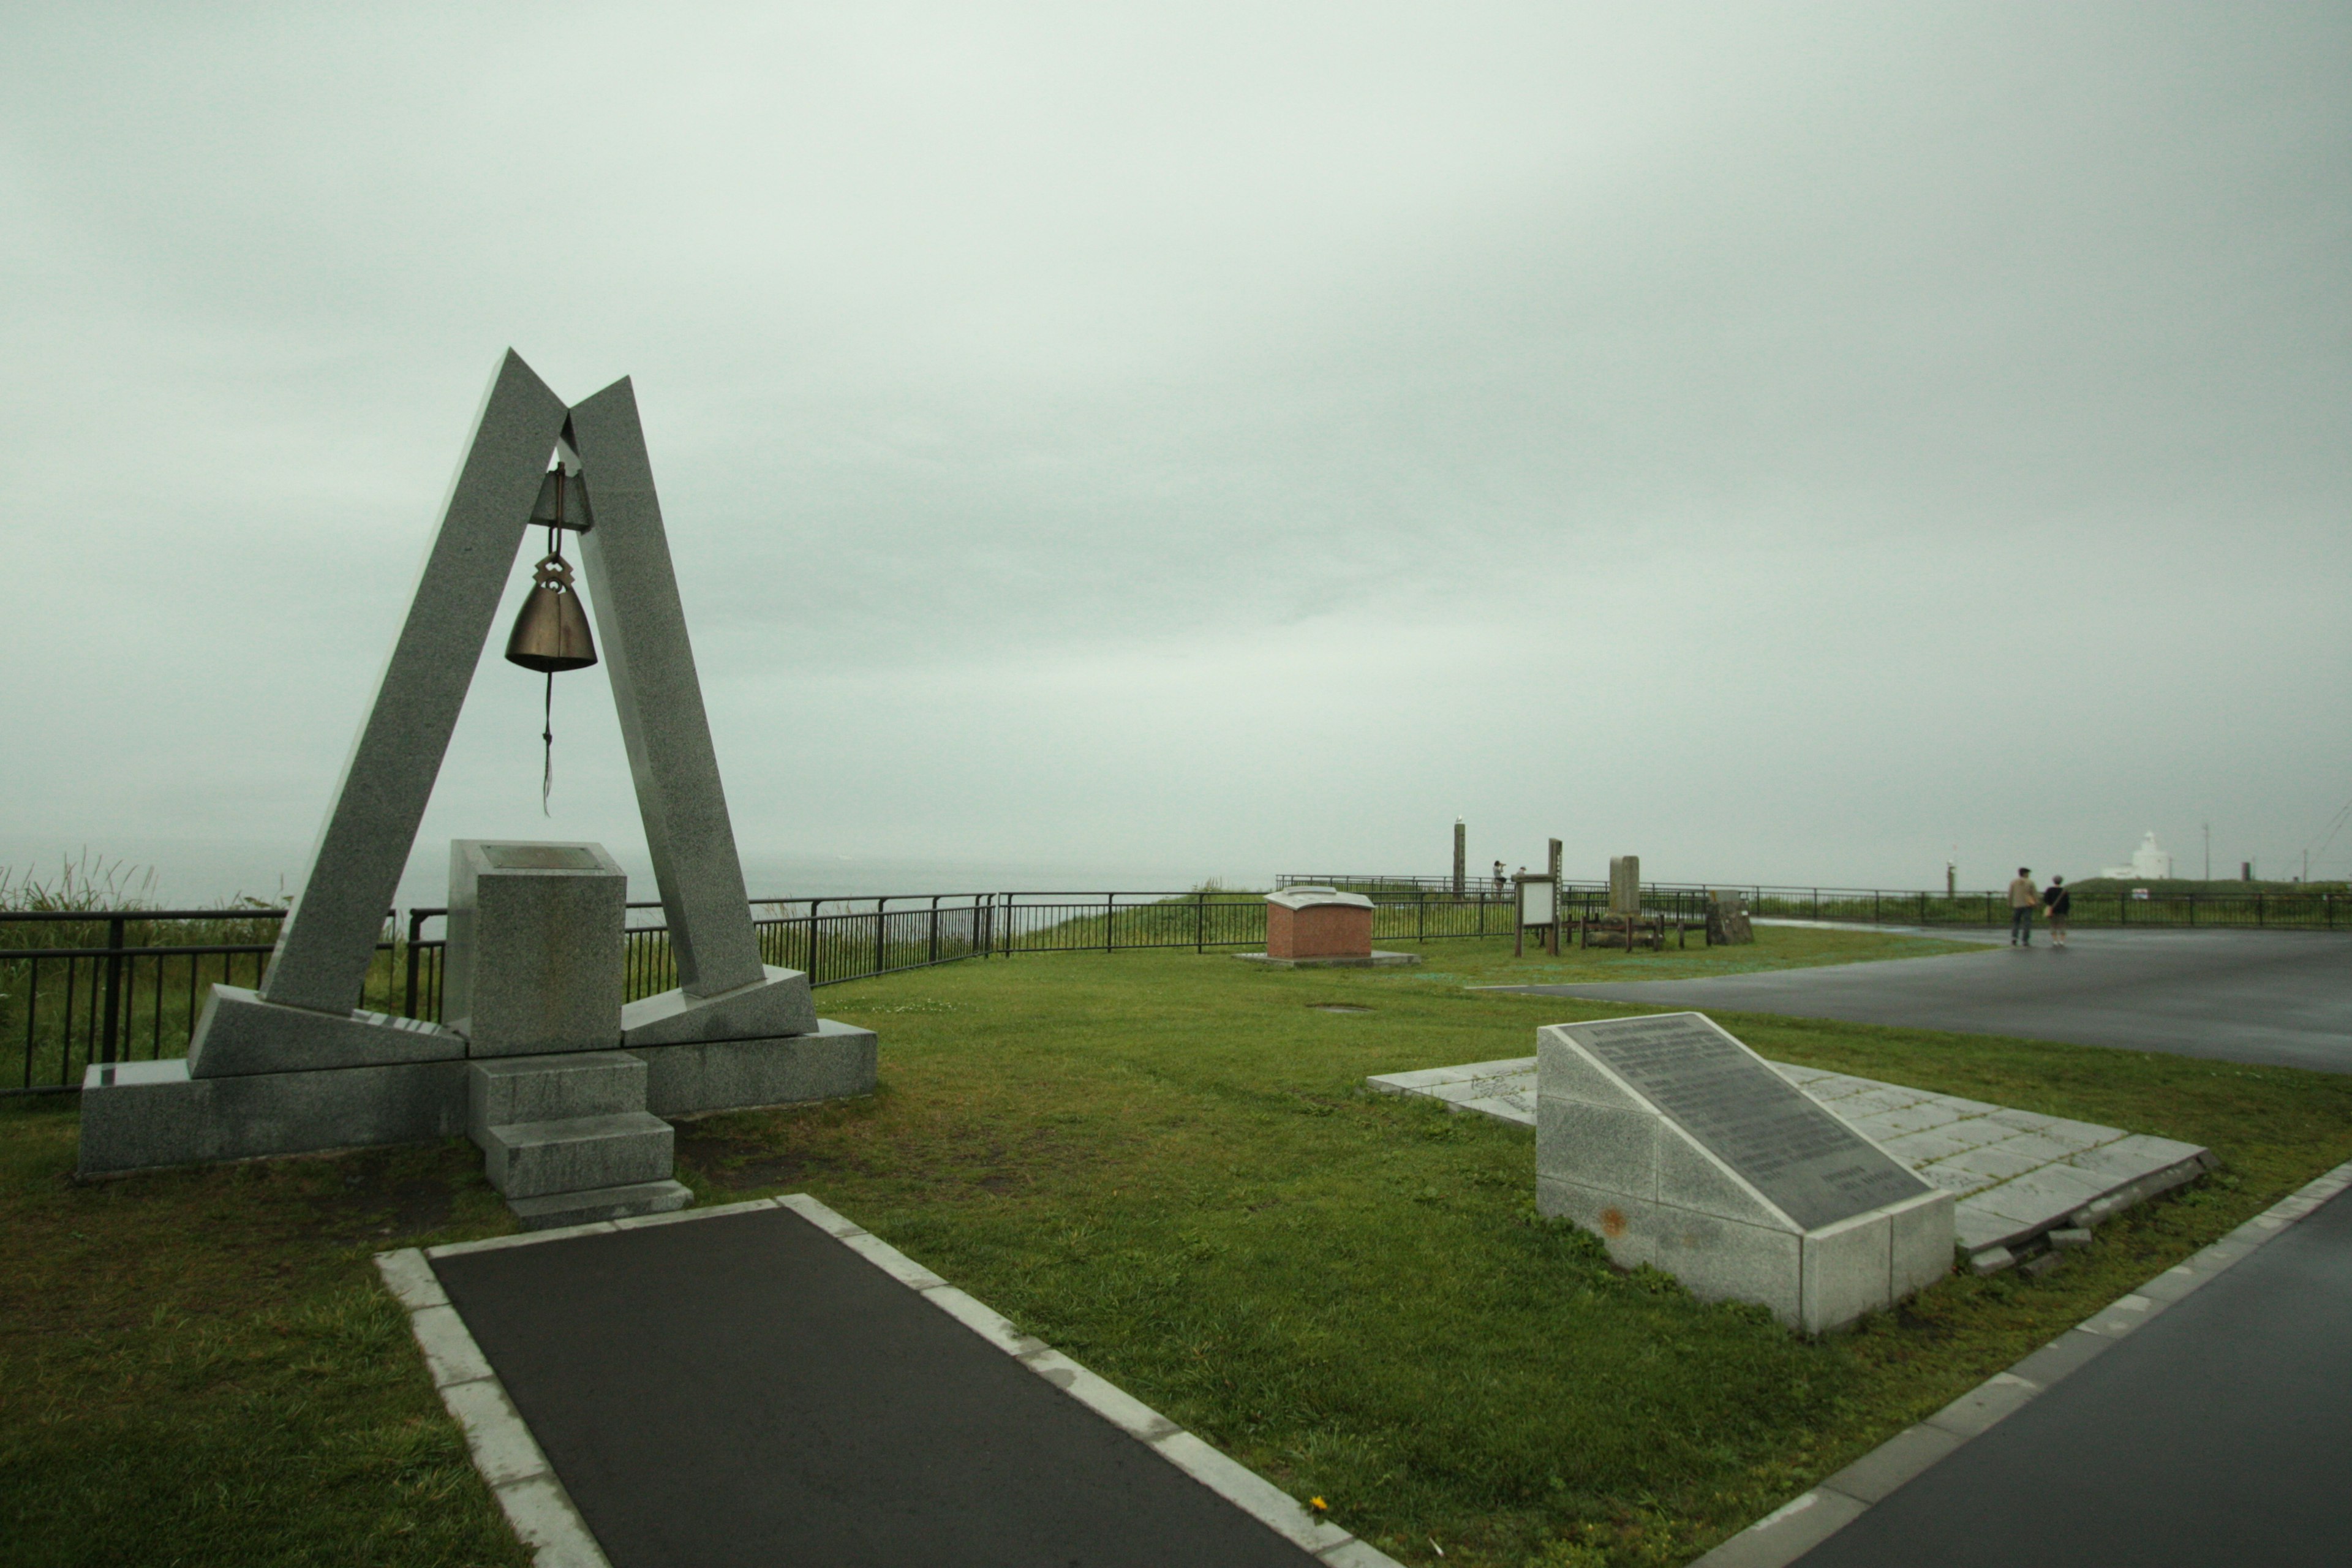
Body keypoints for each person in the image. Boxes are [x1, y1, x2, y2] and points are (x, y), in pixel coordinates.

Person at [2007, 867, 2038, 946]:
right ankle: (2025, 940)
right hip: (2027, 905)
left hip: (2016, 905)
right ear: (2025, 874)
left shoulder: (2013, 882)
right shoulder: (2030, 882)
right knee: (2027, 923)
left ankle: (2014, 938)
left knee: (2016, 922)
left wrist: (2010, 903)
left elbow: (2010, 893)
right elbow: (2034, 894)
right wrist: (2037, 903)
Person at [2042, 873, 2071, 948]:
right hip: (2062, 911)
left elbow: (2046, 900)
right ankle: (2062, 941)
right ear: (2061, 882)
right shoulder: (2064, 891)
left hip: (2053, 910)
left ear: (2053, 881)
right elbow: (2067, 903)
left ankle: (2055, 941)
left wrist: (2050, 905)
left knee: (2053, 925)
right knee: (2062, 925)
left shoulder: (2049, 890)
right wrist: (2066, 911)